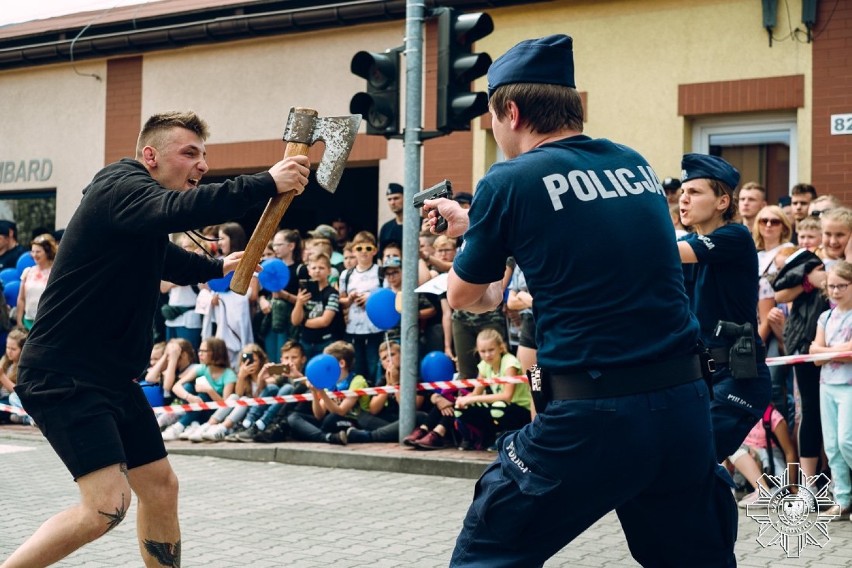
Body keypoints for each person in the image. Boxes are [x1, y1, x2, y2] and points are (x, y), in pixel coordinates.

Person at [424, 35, 735, 567]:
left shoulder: (510, 179)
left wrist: (468, 240)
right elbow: (581, 246)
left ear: (512, 111)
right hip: (682, 406)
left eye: (492, 120)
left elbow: (468, 295)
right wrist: (480, 226)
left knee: (489, 552)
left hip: (593, 415)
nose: (494, 133)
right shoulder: (630, 163)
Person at [4, 110, 310, 568]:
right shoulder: (118, 187)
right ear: (150, 156)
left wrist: (216, 268)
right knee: (105, 508)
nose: (202, 164)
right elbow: (182, 210)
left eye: (204, 155)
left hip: (111, 378)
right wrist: (266, 181)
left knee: (161, 488)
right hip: (64, 374)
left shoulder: (135, 213)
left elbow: (164, 257)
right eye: (190, 153)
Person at [677, 154, 772, 461]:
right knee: (678, 461)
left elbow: (664, 251)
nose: (683, 199)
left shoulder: (736, 236)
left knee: (694, 458)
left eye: (694, 192)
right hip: (700, 373)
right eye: (682, 193)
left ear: (722, 201)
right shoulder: (688, 246)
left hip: (739, 375)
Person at [809, 260, 852, 519]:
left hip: (848, 385)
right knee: (833, 446)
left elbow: (848, 354)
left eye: (842, 286)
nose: (835, 291)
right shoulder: (825, 316)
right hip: (827, 385)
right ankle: (843, 498)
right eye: (831, 286)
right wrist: (837, 351)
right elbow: (814, 356)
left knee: (847, 441)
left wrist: (825, 351)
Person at [454, 329, 531, 451]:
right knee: (460, 408)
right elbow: (476, 393)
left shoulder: (510, 362)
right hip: (502, 406)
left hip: (521, 409)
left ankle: (508, 438)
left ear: (501, 348)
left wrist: (472, 398)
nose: (487, 355)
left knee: (498, 407)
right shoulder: (484, 365)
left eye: (491, 350)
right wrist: (463, 400)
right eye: (482, 351)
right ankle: (485, 437)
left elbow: (507, 396)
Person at [16, 234, 58, 331]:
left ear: (48, 252)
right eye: (33, 251)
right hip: (28, 321)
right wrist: (19, 321)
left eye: (38, 251)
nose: (34, 255)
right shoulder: (28, 272)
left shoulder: (55, 273)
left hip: (48, 322)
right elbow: (21, 298)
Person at [377, 183, 403, 255]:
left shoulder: (419, 223)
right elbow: (381, 256)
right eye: (389, 199)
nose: (392, 202)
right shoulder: (386, 228)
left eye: (396, 198)